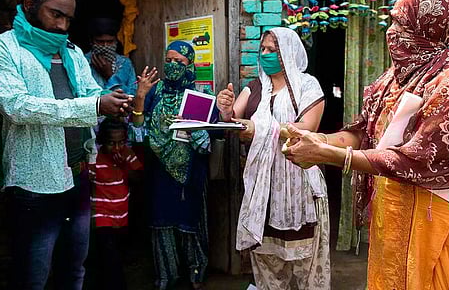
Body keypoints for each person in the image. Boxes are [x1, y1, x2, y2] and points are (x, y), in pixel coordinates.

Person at [284, 0, 449, 289]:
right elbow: (363, 134)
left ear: (428, 27)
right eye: (392, 22)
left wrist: (329, 156)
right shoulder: (390, 80)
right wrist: (316, 141)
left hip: (436, 217)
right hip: (392, 210)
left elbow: (417, 159)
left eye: (401, 24)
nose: (391, 32)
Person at [0, 0, 132, 290]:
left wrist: (112, 100)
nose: (61, 25)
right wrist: (93, 106)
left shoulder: (71, 51)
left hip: (77, 173)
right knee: (33, 276)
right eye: (55, 14)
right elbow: (18, 107)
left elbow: (89, 92)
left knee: (74, 270)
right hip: (34, 181)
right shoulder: (8, 48)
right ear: (30, 5)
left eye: (68, 19)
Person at [217, 27, 330, 289]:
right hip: (263, 190)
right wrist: (225, 111)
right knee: (268, 264)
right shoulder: (255, 87)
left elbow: (306, 129)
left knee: (306, 267)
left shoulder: (306, 85)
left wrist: (261, 130)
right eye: (263, 49)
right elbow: (233, 122)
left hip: (298, 188)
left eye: (273, 50)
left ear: (289, 52)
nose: (265, 54)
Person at [131, 40, 212, 290]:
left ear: (190, 64)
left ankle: (197, 274)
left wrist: (191, 125)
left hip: (191, 171)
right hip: (159, 170)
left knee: (191, 222)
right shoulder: (155, 91)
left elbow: (207, 142)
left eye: (179, 61)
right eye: (169, 60)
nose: (173, 65)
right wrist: (141, 96)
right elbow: (137, 130)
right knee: (162, 222)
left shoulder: (200, 95)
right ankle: (166, 277)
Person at [88, 117, 142, 290]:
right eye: (112, 143)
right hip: (101, 216)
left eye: (120, 142)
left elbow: (138, 177)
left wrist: (124, 164)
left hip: (122, 215)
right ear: (103, 141)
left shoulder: (126, 154)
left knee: (114, 255)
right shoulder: (94, 159)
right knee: (110, 258)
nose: (117, 147)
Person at [85, 17, 137, 95]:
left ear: (116, 41)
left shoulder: (125, 63)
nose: (105, 46)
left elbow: (132, 95)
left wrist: (110, 76)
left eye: (110, 42)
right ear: (91, 41)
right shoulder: (83, 61)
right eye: (100, 42)